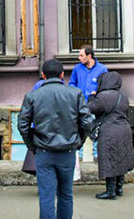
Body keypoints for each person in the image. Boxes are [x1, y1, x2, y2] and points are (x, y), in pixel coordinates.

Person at [18, 59, 94, 219]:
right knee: (66, 194)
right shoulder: (75, 94)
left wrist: (33, 146)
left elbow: (22, 125)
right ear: (62, 75)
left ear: (43, 75)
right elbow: (87, 123)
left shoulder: (32, 96)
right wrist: (78, 142)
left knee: (46, 196)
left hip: (44, 151)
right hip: (67, 151)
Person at [87, 72, 134, 200]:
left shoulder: (103, 96)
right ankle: (119, 188)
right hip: (124, 129)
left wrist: (91, 97)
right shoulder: (123, 96)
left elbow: (91, 109)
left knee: (109, 159)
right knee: (121, 158)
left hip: (109, 131)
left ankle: (110, 191)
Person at [69, 45, 108, 162]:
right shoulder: (77, 69)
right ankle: (78, 158)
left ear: (89, 56)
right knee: (79, 130)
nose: (79, 58)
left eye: (81, 55)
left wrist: (97, 92)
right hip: (80, 105)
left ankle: (96, 157)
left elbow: (106, 86)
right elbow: (71, 83)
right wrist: (76, 94)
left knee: (96, 130)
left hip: (95, 106)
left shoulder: (102, 69)